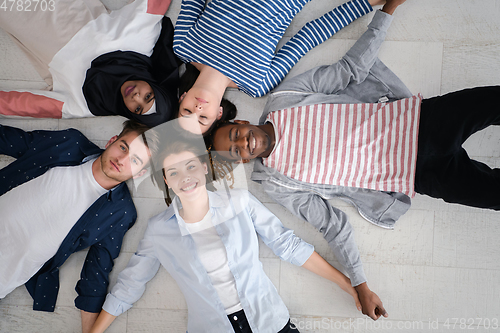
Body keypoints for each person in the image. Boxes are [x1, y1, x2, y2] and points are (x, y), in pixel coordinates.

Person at [207, 0, 492, 320]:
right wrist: (361, 285)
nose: (243, 143)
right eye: (236, 152)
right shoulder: (278, 183)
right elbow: (331, 225)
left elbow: (350, 69)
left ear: (241, 124)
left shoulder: (287, 98)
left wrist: (387, 12)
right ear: (244, 161)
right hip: (418, 175)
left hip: (422, 122)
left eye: (235, 135)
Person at [88, 133, 377, 333]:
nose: (185, 177)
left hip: (270, 323)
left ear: (204, 167)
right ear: (166, 180)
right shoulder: (159, 230)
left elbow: (286, 244)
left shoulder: (239, 201)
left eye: (190, 166)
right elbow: (130, 285)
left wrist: (351, 287)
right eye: (173, 172)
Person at [0, 120, 152, 333]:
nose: (121, 159)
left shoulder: (120, 212)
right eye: (123, 148)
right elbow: (13, 141)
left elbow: (97, 271)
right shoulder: (70, 142)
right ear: (112, 141)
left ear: (140, 173)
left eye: (135, 160)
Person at [173, 0, 386, 133]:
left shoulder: (183, 46)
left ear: (182, 98)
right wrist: (366, 3)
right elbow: (307, 37)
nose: (198, 108)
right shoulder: (257, 84)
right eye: (202, 118)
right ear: (218, 114)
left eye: (187, 111)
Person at [0, 0, 180, 126]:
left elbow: (26, 104)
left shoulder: (87, 104)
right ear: (156, 86)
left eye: (138, 108)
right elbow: (153, 4)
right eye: (148, 96)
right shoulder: (140, 41)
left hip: (18, 15)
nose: (136, 97)